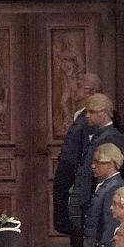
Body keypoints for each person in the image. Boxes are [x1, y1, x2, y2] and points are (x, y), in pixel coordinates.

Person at [63, 94, 124, 247]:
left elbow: (108, 171)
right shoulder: (98, 134)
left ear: (102, 113)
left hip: (95, 198)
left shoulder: (111, 136)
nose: (87, 116)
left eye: (91, 112)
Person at [51, 75, 104, 235]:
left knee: (79, 223)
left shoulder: (92, 118)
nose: (74, 89)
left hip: (79, 179)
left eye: (79, 86)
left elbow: (88, 151)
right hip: (72, 179)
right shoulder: (81, 115)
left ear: (89, 91)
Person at [77, 143, 124, 247]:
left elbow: (111, 225)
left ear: (111, 164)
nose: (93, 166)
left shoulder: (114, 188)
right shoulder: (106, 185)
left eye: (97, 162)